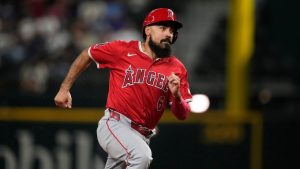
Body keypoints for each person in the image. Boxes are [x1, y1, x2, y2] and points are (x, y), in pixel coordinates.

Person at [54, 8, 192, 169]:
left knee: (139, 155)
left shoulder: (177, 68)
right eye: (162, 28)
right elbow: (88, 54)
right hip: (115, 125)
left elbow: (183, 114)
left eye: (172, 30)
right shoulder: (123, 50)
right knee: (141, 157)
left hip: (142, 135)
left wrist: (176, 96)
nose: (169, 34)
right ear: (147, 30)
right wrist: (64, 89)